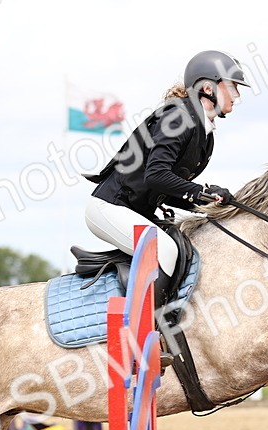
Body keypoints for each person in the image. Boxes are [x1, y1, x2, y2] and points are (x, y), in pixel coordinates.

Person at [85, 50, 249, 283]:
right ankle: (152, 320)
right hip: (110, 207)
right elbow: (156, 175)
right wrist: (199, 192)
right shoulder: (179, 117)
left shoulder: (205, 135)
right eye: (232, 87)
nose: (237, 95)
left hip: (135, 211)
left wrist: (209, 202)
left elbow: (167, 190)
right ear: (208, 88)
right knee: (165, 252)